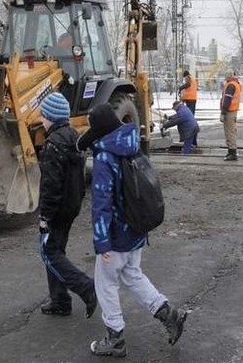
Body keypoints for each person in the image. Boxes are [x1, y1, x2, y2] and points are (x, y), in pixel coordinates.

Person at [77, 103, 187, 357]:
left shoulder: (106, 157)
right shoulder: (132, 145)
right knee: (133, 276)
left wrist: (102, 242)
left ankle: (115, 338)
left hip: (116, 236)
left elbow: (102, 204)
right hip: (137, 228)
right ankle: (169, 314)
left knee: (105, 285)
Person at [37, 92, 97, 318]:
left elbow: (51, 185)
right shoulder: (73, 137)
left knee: (49, 253)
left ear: (51, 117)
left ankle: (85, 288)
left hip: (57, 209)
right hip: (71, 205)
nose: (41, 119)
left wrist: (45, 215)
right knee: (56, 250)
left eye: (43, 115)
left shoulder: (53, 144)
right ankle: (60, 300)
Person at [219, 71, 242, 161]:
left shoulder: (230, 85)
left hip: (229, 111)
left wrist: (223, 112)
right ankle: (232, 151)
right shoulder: (236, 83)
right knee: (232, 131)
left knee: (229, 132)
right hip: (233, 111)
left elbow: (227, 99)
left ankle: (232, 152)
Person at [178, 70, 198, 146]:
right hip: (191, 99)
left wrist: (181, 87)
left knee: (190, 119)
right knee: (190, 118)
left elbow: (188, 85)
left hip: (190, 100)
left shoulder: (189, 78)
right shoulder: (192, 78)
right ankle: (193, 141)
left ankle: (192, 141)